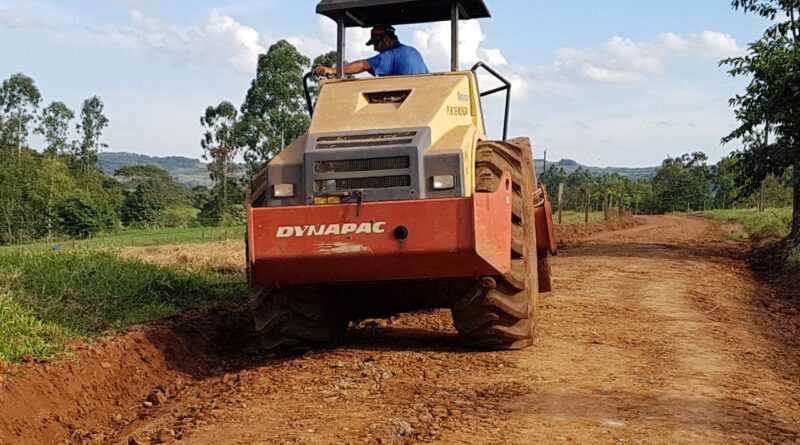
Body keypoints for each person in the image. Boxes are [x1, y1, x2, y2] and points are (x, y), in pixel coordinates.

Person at [313, 25, 429, 77]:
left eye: (376, 43)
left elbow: (363, 65)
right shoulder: (413, 52)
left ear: (387, 39)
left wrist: (333, 70)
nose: (375, 49)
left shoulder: (390, 55)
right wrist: (349, 69)